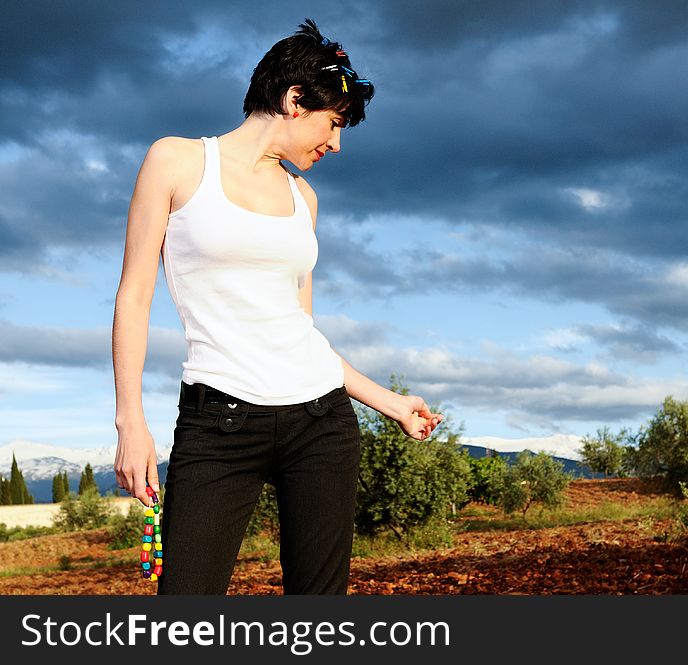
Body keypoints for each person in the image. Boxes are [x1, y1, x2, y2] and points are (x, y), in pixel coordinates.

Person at [111, 18, 442, 595]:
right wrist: (130, 423)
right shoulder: (177, 161)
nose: (336, 144)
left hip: (321, 424)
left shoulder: (303, 198)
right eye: (333, 125)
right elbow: (133, 296)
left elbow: (298, 329)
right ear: (293, 101)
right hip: (219, 422)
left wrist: (389, 403)